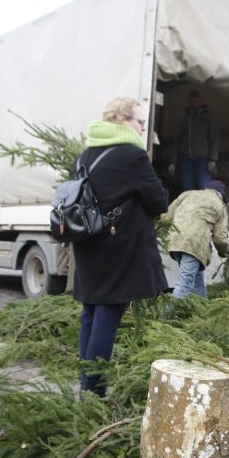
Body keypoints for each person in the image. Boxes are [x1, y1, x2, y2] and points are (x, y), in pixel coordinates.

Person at [73, 97, 169, 396]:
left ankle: (86, 384)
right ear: (123, 120)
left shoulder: (85, 154)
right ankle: (94, 390)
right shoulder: (131, 155)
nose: (142, 128)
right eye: (140, 122)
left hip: (89, 243)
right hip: (118, 244)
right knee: (108, 314)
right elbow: (159, 201)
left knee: (91, 311)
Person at [160, 180, 229, 298]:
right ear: (221, 195)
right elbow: (220, 238)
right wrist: (225, 252)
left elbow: (165, 218)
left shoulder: (187, 194)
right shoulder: (219, 204)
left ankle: (203, 311)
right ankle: (167, 315)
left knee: (197, 280)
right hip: (193, 245)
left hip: (174, 242)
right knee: (185, 284)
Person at [169, 90, 219, 191]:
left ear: (200, 101)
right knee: (187, 189)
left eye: (196, 101)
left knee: (204, 187)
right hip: (186, 159)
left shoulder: (208, 118)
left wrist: (212, 160)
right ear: (188, 102)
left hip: (203, 159)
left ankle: (205, 207)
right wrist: (173, 162)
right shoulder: (184, 119)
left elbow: (214, 140)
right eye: (191, 101)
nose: (193, 104)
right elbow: (177, 141)